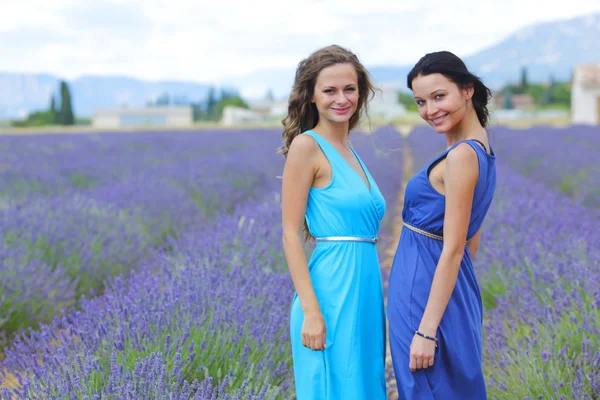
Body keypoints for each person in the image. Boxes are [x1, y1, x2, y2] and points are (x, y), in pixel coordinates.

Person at [279, 44, 387, 399]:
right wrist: (311, 311)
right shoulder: (306, 147)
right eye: (330, 90)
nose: (341, 98)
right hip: (331, 292)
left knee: (363, 385)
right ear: (311, 96)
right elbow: (290, 234)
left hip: (365, 289)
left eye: (350, 88)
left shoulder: (350, 149)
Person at [387, 51, 497, 399]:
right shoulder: (479, 149)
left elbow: (454, 247)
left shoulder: (462, 156)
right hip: (447, 290)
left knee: (427, 388)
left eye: (439, 96)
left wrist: (427, 330)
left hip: (424, 297)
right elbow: (471, 240)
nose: (429, 110)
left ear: (467, 90)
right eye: (421, 101)